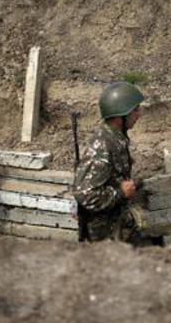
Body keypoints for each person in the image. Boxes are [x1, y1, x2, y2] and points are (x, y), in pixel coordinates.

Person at [72, 81, 144, 242]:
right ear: (120, 116)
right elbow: (86, 195)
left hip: (118, 226)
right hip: (103, 237)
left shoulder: (116, 137)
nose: (139, 114)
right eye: (135, 110)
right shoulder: (103, 145)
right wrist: (120, 193)